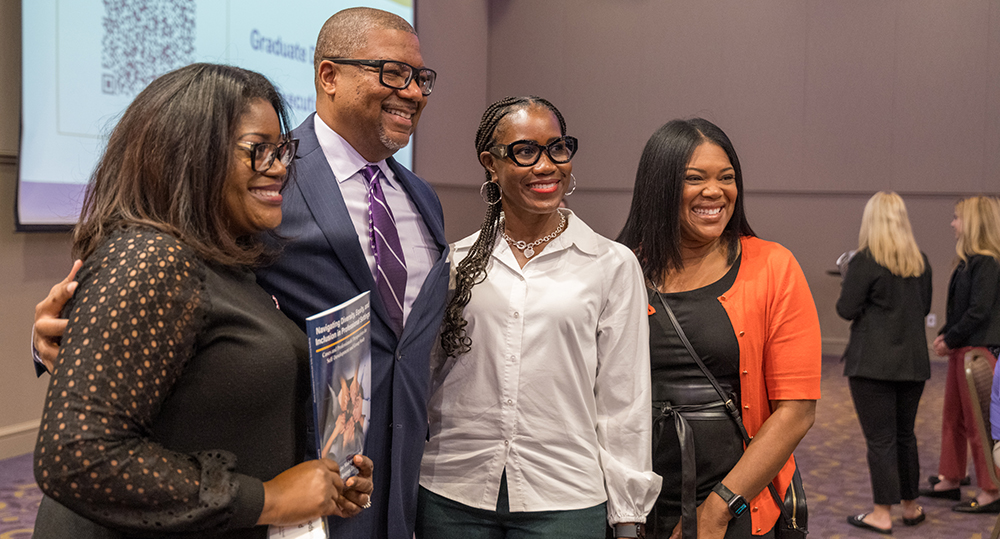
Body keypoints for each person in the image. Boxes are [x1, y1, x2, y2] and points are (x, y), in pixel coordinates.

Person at [33, 8, 448, 539]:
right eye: (261, 151)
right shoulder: (157, 253)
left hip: (342, 478)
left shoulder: (417, 199)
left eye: (281, 152)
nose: (279, 167)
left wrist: (327, 475)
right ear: (192, 155)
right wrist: (58, 335)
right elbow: (78, 452)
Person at [416, 96, 661, 538]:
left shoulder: (611, 264)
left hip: (564, 499)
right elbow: (426, 378)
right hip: (452, 492)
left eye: (557, 148)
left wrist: (628, 518)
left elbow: (624, 400)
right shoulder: (454, 263)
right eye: (525, 151)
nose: (546, 166)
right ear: (490, 164)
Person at [616, 119, 821, 538]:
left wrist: (716, 511)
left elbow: (797, 411)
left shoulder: (773, 266)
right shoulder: (621, 268)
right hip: (633, 500)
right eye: (695, 178)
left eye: (726, 178)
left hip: (733, 500)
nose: (715, 191)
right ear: (660, 186)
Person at [836, 192, 932, 533]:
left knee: (880, 440)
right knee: (905, 436)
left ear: (871, 221)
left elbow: (846, 309)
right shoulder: (921, 262)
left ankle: (881, 513)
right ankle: (910, 507)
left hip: (872, 366)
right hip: (913, 364)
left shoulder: (865, 261)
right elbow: (923, 308)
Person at [921, 195, 1000, 513]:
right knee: (952, 418)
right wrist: (946, 336)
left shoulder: (988, 262)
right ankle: (951, 477)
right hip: (962, 348)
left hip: (977, 352)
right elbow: (961, 310)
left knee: (979, 424)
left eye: (958, 217)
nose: (953, 223)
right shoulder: (969, 261)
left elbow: (979, 311)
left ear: (974, 223)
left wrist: (949, 339)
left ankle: (991, 489)